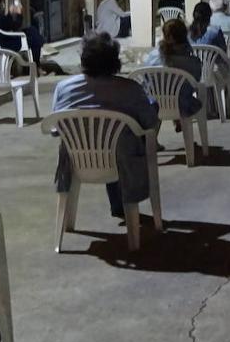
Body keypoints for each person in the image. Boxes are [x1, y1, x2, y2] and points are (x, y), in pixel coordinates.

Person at [52, 33, 162, 221]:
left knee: (107, 136)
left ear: (83, 59)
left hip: (77, 161)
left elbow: (55, 128)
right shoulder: (130, 89)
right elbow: (150, 123)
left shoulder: (64, 88)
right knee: (125, 133)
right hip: (122, 161)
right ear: (114, 61)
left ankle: (113, 205)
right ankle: (122, 202)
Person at [144, 19, 205, 119]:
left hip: (156, 105)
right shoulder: (193, 62)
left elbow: (145, 80)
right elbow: (195, 84)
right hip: (183, 106)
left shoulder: (153, 57)